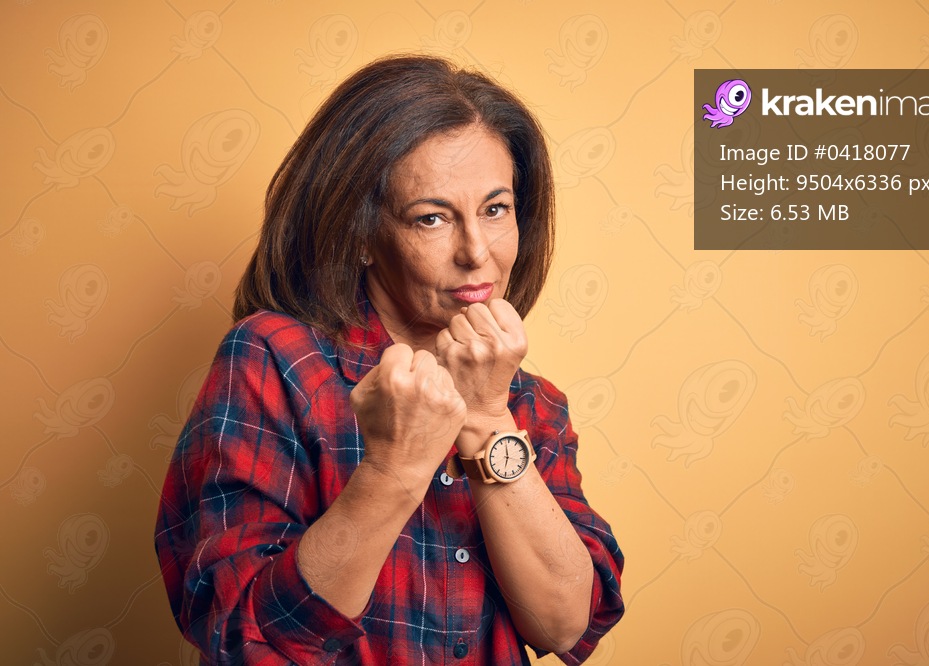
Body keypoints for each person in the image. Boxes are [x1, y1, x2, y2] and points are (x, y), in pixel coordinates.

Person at [154, 54, 624, 665]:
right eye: (431, 218)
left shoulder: (530, 401)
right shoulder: (275, 360)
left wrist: (484, 418)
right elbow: (248, 639)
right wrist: (394, 468)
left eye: (495, 209)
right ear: (360, 233)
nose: (476, 251)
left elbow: (565, 627)